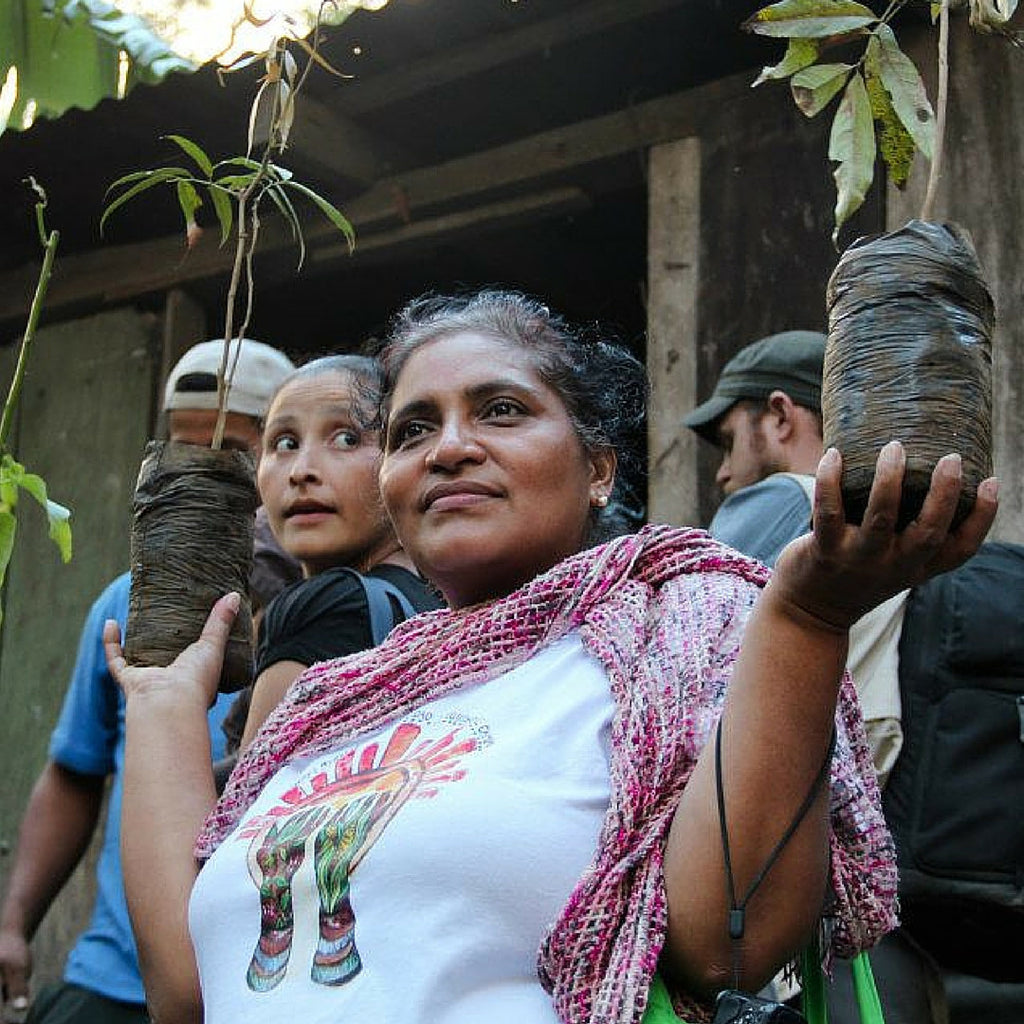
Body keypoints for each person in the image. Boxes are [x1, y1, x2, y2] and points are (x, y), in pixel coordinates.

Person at [104, 292, 997, 1024]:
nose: (450, 446)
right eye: (414, 430)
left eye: (501, 410)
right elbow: (192, 990)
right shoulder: (329, 703)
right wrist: (160, 702)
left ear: (600, 469)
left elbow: (731, 939)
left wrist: (806, 617)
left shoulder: (677, 625)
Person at [0, 338, 296, 1024]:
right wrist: (14, 920)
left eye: (231, 447)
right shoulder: (127, 607)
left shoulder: (333, 607)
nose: (203, 467)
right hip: (113, 980)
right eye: (184, 445)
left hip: (260, 984)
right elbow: (76, 771)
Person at [683, 330, 906, 785]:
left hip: (776, 786)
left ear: (780, 416)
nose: (723, 472)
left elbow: (683, 656)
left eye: (730, 442)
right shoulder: (892, 521)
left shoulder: (782, 496)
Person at [237, 354, 442, 749]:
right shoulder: (442, 602)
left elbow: (246, 806)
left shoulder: (324, 604)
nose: (302, 471)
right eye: (285, 443)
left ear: (401, 455)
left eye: (346, 438)